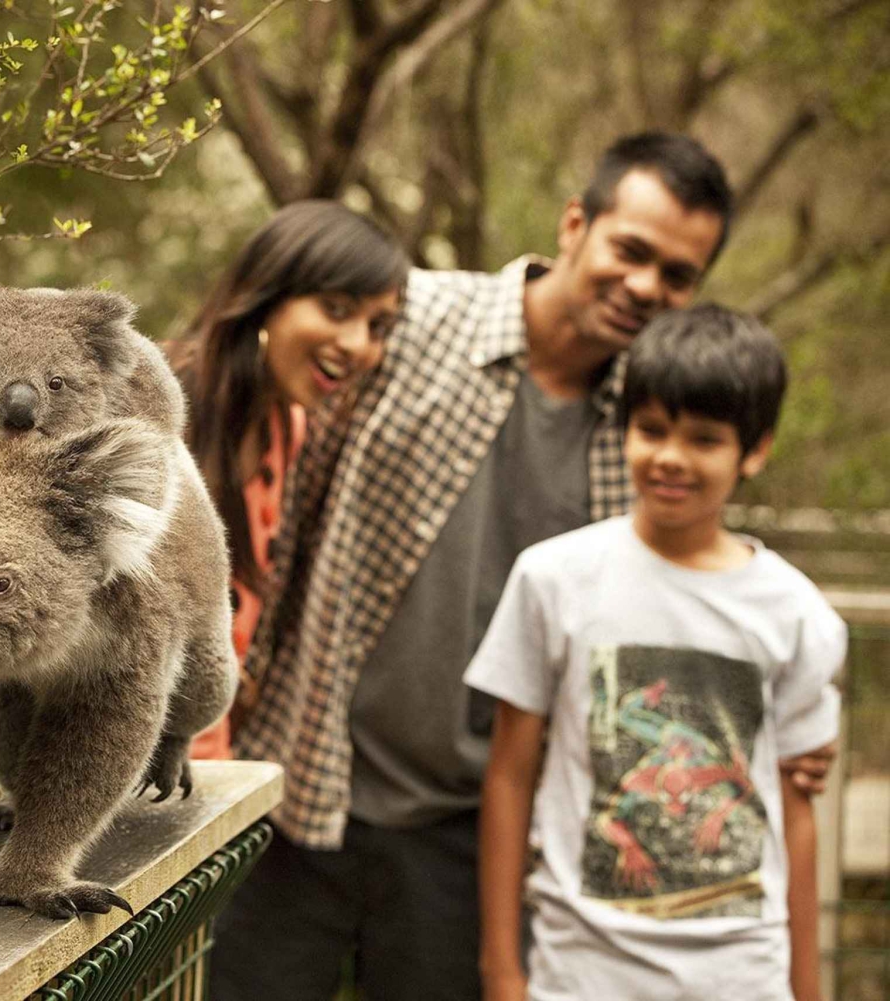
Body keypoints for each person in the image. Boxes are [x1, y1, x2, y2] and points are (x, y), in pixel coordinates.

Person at [210, 132, 836, 1001]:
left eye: (679, 275)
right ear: (576, 223)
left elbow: (688, 596)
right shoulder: (411, 318)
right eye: (632, 250)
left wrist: (790, 727)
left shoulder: (652, 422)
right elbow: (251, 431)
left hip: (473, 835)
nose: (648, 286)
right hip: (303, 778)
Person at [468, 304, 842, 1001]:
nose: (670, 456)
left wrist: (807, 988)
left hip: (741, 974)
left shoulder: (795, 612)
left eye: (704, 439)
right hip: (580, 969)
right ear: (625, 428)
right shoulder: (553, 578)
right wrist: (503, 972)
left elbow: (795, 812)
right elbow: (510, 776)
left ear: (754, 451)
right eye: (652, 429)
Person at [167, 200, 409, 759]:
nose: (357, 345)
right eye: (336, 309)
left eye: (378, 326)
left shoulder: (287, 426)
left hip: (205, 770)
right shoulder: (160, 409)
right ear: (265, 295)